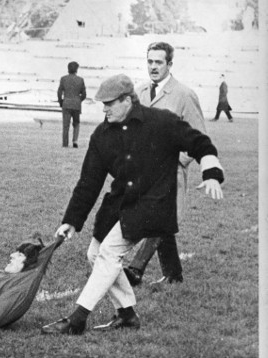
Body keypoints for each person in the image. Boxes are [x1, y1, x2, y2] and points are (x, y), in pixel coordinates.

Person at [41, 74, 224, 335]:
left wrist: (211, 171)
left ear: (128, 100)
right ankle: (127, 315)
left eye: (109, 103)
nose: (104, 109)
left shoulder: (161, 121)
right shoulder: (102, 134)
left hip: (154, 204)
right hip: (120, 203)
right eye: (102, 104)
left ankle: (77, 318)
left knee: (109, 253)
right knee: (94, 254)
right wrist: (71, 220)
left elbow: (199, 143)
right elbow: (89, 182)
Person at [124, 41, 208, 287]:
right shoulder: (138, 93)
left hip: (169, 174)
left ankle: (136, 269)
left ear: (169, 64)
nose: (153, 66)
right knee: (161, 220)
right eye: (149, 61)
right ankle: (174, 274)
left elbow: (199, 136)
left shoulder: (184, 95)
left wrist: (178, 161)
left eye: (158, 62)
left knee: (158, 218)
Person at [57, 61, 87, 148]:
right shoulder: (80, 80)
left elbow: (59, 92)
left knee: (65, 125)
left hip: (66, 103)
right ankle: (75, 140)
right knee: (76, 123)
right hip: (76, 105)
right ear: (76, 69)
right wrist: (78, 100)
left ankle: (65, 143)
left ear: (68, 69)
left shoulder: (63, 79)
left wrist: (61, 101)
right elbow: (84, 94)